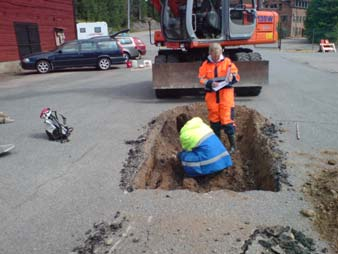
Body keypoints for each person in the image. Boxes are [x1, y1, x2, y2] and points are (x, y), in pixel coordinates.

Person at [198, 43, 240, 153]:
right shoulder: (205, 65)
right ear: (210, 53)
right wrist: (210, 83)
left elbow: (236, 76)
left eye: (218, 55)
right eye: (214, 56)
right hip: (212, 98)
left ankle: (233, 147)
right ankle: (218, 146)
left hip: (226, 98)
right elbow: (201, 79)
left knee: (227, 121)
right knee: (214, 123)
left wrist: (232, 77)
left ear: (221, 52)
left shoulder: (228, 63)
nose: (216, 58)